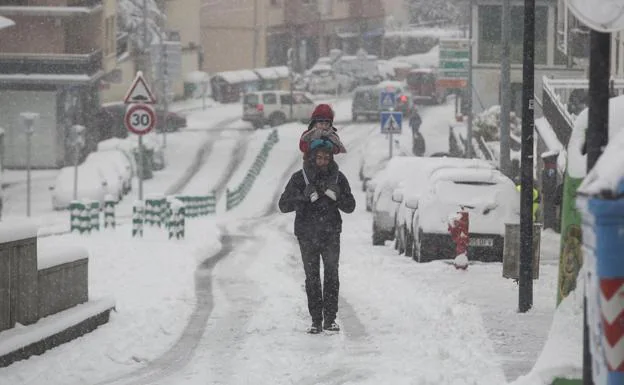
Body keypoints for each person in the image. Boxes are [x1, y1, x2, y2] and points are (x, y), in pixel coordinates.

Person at [278, 138, 356, 334]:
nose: (322, 162)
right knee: (312, 278)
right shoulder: (299, 178)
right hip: (307, 235)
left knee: (331, 276)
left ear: (331, 158)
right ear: (311, 158)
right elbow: (283, 205)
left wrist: (339, 196)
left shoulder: (338, 178)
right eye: (319, 158)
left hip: (331, 234)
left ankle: (330, 319)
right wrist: (303, 196)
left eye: (326, 158)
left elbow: (350, 206)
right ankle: (316, 320)